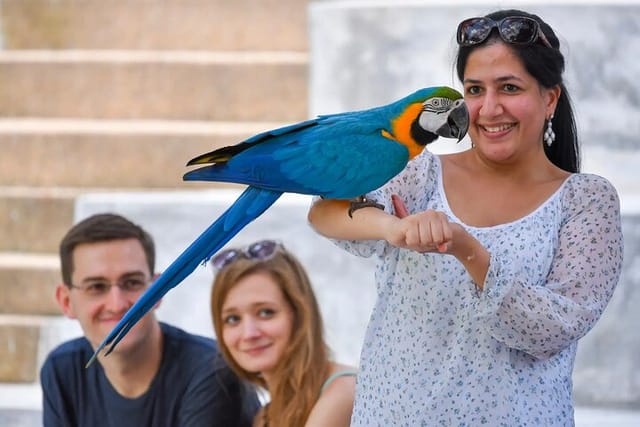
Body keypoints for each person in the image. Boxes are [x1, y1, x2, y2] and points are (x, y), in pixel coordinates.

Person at [308, 9, 624, 426]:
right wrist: (394, 228)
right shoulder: (417, 170)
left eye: (509, 88)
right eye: (475, 90)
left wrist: (468, 251)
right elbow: (325, 212)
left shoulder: (586, 201)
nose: (489, 109)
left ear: (550, 98)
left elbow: (552, 328)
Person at [40, 213, 260, 427]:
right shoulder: (62, 370)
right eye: (96, 287)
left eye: (132, 283)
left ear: (158, 290)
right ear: (67, 302)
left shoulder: (213, 371)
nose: (117, 305)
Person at [209, 239, 356, 427]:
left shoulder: (342, 392)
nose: (248, 334)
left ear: (300, 314)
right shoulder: (264, 417)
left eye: (265, 312)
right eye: (233, 319)